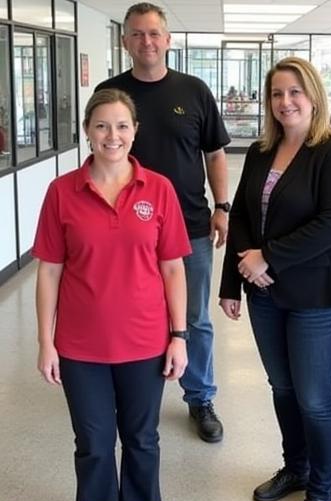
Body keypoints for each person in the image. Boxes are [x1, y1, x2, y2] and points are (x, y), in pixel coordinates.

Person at [33, 88, 189, 501]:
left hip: (145, 342)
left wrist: (179, 336)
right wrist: (46, 342)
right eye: (101, 125)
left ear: (135, 131)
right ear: (87, 131)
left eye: (122, 126)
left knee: (142, 442)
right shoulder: (62, 192)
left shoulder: (158, 190)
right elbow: (49, 271)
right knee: (94, 446)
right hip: (81, 348)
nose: (112, 135)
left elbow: (172, 268)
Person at [219, 57, 331, 501]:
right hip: (266, 293)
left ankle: (323, 493)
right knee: (283, 389)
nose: (286, 102)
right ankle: (296, 468)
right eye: (277, 94)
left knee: (316, 400)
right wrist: (232, 280)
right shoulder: (262, 150)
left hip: (321, 296)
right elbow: (240, 213)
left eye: (295, 92)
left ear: (314, 95)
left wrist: (269, 258)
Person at [97, 3, 231, 444]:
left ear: (168, 40)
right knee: (123, 311)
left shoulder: (193, 91)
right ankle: (128, 393)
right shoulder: (111, 92)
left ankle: (200, 398)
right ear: (125, 41)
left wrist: (222, 206)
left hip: (189, 225)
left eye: (154, 33)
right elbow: (100, 153)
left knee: (192, 318)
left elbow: (214, 153)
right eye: (137, 34)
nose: (146, 42)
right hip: (123, 231)